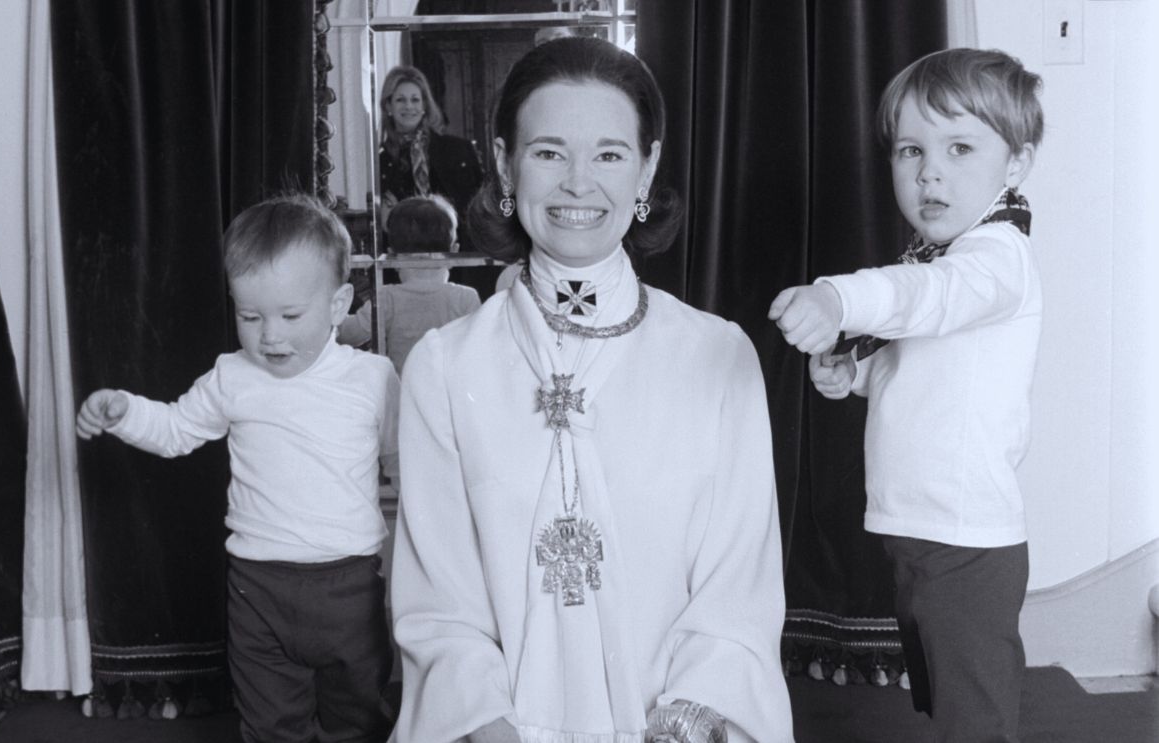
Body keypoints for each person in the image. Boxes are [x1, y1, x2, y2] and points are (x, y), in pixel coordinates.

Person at [391, 37, 793, 743]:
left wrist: (686, 723)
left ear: (648, 168)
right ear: (504, 163)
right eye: (549, 152)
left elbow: (738, 595)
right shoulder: (444, 366)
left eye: (608, 153)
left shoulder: (717, 356)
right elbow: (440, 605)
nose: (579, 182)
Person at [768, 48, 1043, 742]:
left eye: (959, 148)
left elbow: (920, 298)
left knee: (972, 708)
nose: (929, 172)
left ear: (1015, 164)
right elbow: (918, 358)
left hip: (965, 538)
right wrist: (856, 374)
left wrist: (837, 297)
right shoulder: (942, 254)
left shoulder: (993, 259)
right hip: (916, 525)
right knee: (938, 688)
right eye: (910, 150)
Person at [75, 193, 399, 743]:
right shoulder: (233, 375)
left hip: (349, 587)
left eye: (289, 316)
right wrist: (125, 410)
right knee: (270, 724)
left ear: (339, 303)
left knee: (360, 719)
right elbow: (177, 430)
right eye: (249, 316)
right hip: (257, 587)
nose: (269, 335)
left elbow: (407, 467)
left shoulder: (372, 379)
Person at [338, 194, 481, 375]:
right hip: (450, 394)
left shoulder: (387, 298)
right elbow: (480, 350)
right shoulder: (465, 298)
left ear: (391, 255)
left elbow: (347, 334)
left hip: (403, 394)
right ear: (454, 252)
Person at [378, 65, 483, 242]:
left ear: (425, 105)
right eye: (400, 100)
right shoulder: (381, 160)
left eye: (415, 100)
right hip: (406, 254)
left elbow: (478, 208)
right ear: (388, 106)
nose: (409, 106)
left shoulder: (459, 149)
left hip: (457, 252)